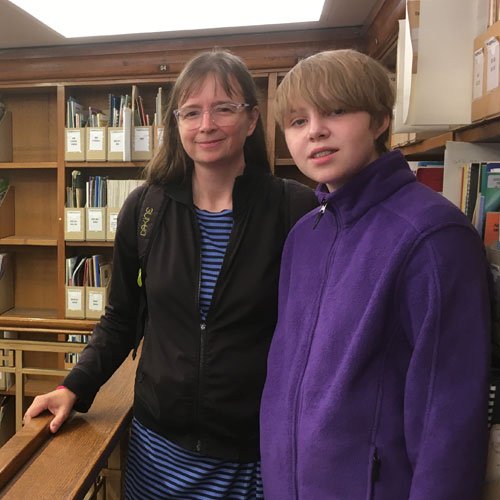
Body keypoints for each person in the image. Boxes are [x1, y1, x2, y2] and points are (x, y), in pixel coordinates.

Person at [24, 49, 317, 498]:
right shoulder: (145, 208)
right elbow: (121, 319)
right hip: (157, 453)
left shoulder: (295, 209)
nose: (206, 125)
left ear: (253, 119)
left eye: (224, 108)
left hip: (252, 457)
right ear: (175, 124)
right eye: (192, 112)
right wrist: (74, 386)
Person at [260, 49, 491, 499]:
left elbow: (449, 418)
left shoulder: (433, 235)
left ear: (381, 119)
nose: (316, 132)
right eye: (297, 121)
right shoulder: (305, 234)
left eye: (336, 110)